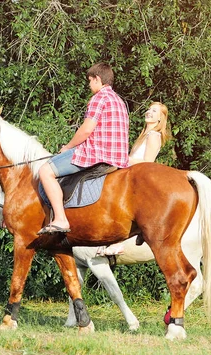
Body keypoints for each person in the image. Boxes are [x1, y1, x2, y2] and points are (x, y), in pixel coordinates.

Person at [37, 62, 130, 235]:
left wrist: (68, 147)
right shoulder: (119, 100)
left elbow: (87, 130)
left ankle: (60, 219)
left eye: (90, 81)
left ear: (97, 79)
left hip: (97, 153)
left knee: (45, 171)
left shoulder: (99, 98)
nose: (89, 85)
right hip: (118, 158)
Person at [98, 101, 172, 255]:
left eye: (154, 111)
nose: (149, 112)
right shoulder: (145, 135)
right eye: (149, 109)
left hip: (137, 175)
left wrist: (123, 159)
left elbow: (147, 162)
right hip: (129, 170)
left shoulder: (154, 135)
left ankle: (118, 242)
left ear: (160, 119)